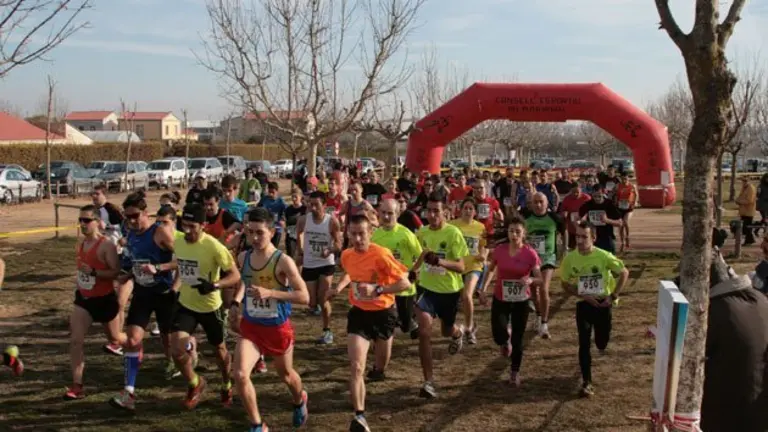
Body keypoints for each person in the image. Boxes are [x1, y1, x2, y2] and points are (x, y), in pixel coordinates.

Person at [326, 214, 411, 432]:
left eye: (361, 233)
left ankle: (380, 368)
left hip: (383, 313)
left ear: (370, 233)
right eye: (353, 234)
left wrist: (378, 289)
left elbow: (404, 283)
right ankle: (359, 416)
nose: (357, 238)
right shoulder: (346, 255)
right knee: (356, 367)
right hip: (359, 314)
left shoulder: (381, 254)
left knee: (380, 364)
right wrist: (338, 288)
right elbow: (350, 274)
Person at [229, 208, 310, 432]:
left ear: (272, 231)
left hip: (277, 328)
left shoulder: (282, 261)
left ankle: (299, 399)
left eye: (260, 233)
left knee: (286, 375)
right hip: (252, 327)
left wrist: (271, 293)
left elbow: (304, 296)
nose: (254, 238)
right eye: (250, 232)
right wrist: (236, 302)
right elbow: (245, 282)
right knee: (240, 374)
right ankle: (258, 425)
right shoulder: (244, 257)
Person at [109, 191, 179, 410]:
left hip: (164, 293)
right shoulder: (130, 236)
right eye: (127, 217)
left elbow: (182, 259)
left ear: (145, 213)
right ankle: (129, 392)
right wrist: (126, 275)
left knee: (168, 341)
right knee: (132, 339)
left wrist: (160, 270)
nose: (131, 221)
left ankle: (178, 357)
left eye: (135, 216)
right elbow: (134, 264)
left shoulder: (160, 233)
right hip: (143, 294)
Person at [169, 203, 242, 409]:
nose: (188, 231)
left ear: (203, 225)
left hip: (211, 307)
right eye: (185, 226)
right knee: (176, 350)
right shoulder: (178, 240)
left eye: (193, 226)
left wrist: (214, 285)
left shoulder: (214, 246)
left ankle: (226, 383)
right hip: (186, 304)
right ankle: (196, 383)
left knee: (219, 351)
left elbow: (235, 275)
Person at [560, 221, 628, 397]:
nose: (580, 240)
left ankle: (601, 341)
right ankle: (587, 382)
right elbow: (565, 283)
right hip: (584, 304)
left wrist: (612, 296)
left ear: (594, 238)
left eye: (585, 237)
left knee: (601, 342)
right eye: (578, 236)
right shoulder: (570, 259)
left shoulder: (603, 256)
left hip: (603, 303)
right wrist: (582, 295)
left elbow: (624, 273)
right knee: (584, 342)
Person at [412, 193, 468, 398]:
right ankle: (429, 382)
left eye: (437, 211)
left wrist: (440, 262)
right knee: (425, 332)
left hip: (449, 292)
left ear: (445, 212)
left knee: (446, 331)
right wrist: (412, 271)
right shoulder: (422, 233)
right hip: (427, 290)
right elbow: (418, 257)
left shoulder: (453, 233)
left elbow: (461, 267)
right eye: (429, 210)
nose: (432, 215)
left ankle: (457, 333)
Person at [67, 205, 126, 400]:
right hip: (83, 300)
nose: (82, 224)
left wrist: (94, 273)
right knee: (76, 341)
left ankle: (134, 343)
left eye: (86, 220)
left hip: (104, 300)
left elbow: (115, 272)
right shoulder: (80, 244)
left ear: (97, 222)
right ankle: (77, 386)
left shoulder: (106, 245)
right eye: (80, 220)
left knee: (116, 338)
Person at [478, 215, 542, 386]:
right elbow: (491, 270)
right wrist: (483, 289)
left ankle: (515, 371)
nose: (514, 235)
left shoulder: (530, 254)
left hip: (521, 300)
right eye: (511, 231)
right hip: (501, 297)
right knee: (498, 333)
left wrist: (530, 280)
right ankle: (504, 340)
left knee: (518, 338)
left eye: (518, 232)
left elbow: (540, 279)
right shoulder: (500, 250)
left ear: (524, 234)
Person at [372, 198, 422, 341]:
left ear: (398, 214)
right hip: (384, 287)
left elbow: (420, 256)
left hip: (403, 286)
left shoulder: (406, 234)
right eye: (383, 213)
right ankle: (381, 348)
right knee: (384, 320)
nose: (386, 217)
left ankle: (412, 325)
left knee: (405, 325)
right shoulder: (375, 235)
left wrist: (413, 273)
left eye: (390, 213)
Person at [296, 191, 343, 343]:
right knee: (311, 301)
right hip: (310, 263)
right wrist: (301, 251)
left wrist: (330, 250)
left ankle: (327, 330)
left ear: (324, 205)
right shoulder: (303, 220)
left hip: (326, 264)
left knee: (324, 300)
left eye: (316, 205)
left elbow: (338, 244)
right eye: (310, 204)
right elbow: (299, 235)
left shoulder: (331, 222)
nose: (313, 208)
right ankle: (315, 304)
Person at [522, 192, 565, 339]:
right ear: (531, 203)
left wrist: (564, 250)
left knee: (544, 289)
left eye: (541, 202)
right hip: (532, 260)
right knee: (533, 292)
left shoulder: (554, 218)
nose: (538, 205)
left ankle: (544, 324)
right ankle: (538, 315)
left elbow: (564, 231)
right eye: (535, 202)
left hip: (548, 258)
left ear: (547, 203)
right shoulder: (526, 218)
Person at [450, 198, 487, 344]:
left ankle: (470, 328)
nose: (467, 211)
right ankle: (467, 324)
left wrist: (483, 254)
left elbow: (484, 245)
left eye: (471, 208)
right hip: (457, 267)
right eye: (465, 208)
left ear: (475, 212)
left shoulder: (480, 227)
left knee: (466, 296)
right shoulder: (452, 225)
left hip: (474, 266)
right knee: (458, 300)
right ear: (460, 209)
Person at [578, 185, 623, 254]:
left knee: (609, 259)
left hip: (606, 236)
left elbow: (620, 223)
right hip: (592, 237)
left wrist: (607, 220)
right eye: (595, 196)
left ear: (603, 194)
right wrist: (582, 221)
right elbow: (579, 218)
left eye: (599, 196)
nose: (597, 198)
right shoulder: (587, 205)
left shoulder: (609, 204)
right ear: (592, 194)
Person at [559, 182, 591, 250]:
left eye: (577, 192)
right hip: (571, 229)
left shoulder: (587, 198)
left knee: (585, 248)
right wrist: (564, 213)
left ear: (581, 190)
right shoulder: (566, 199)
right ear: (570, 191)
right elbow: (562, 211)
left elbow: (591, 211)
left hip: (584, 229)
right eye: (573, 192)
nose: (575, 194)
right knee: (572, 249)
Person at [258, 182, 288, 247]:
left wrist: (283, 219)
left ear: (277, 191)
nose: (271, 194)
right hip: (266, 227)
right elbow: (258, 209)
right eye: (269, 192)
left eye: (273, 192)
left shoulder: (281, 201)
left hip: (277, 228)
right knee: (265, 246)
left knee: (274, 248)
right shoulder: (264, 199)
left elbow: (287, 212)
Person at [613, 173, 637, 252]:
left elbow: (636, 195)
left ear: (628, 179)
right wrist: (615, 201)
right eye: (622, 179)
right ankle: (622, 242)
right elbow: (615, 194)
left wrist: (634, 203)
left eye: (625, 179)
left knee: (625, 222)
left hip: (629, 207)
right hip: (620, 207)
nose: (624, 180)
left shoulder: (632, 186)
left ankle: (627, 237)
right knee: (620, 225)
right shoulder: (617, 186)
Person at [284, 188, 307, 259]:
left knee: (301, 257)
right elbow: (285, 221)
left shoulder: (305, 209)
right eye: (292, 196)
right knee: (290, 257)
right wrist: (285, 226)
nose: (294, 199)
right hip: (291, 236)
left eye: (295, 197)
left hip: (302, 236)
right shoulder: (288, 209)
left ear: (300, 197)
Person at [736, 176, 758, 246]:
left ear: (748, 181)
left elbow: (749, 200)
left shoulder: (751, 188)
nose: (743, 183)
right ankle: (750, 240)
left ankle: (749, 240)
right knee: (746, 227)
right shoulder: (744, 188)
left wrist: (740, 201)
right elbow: (741, 196)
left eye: (745, 181)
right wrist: (737, 200)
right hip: (743, 211)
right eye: (743, 181)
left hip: (749, 211)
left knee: (747, 226)